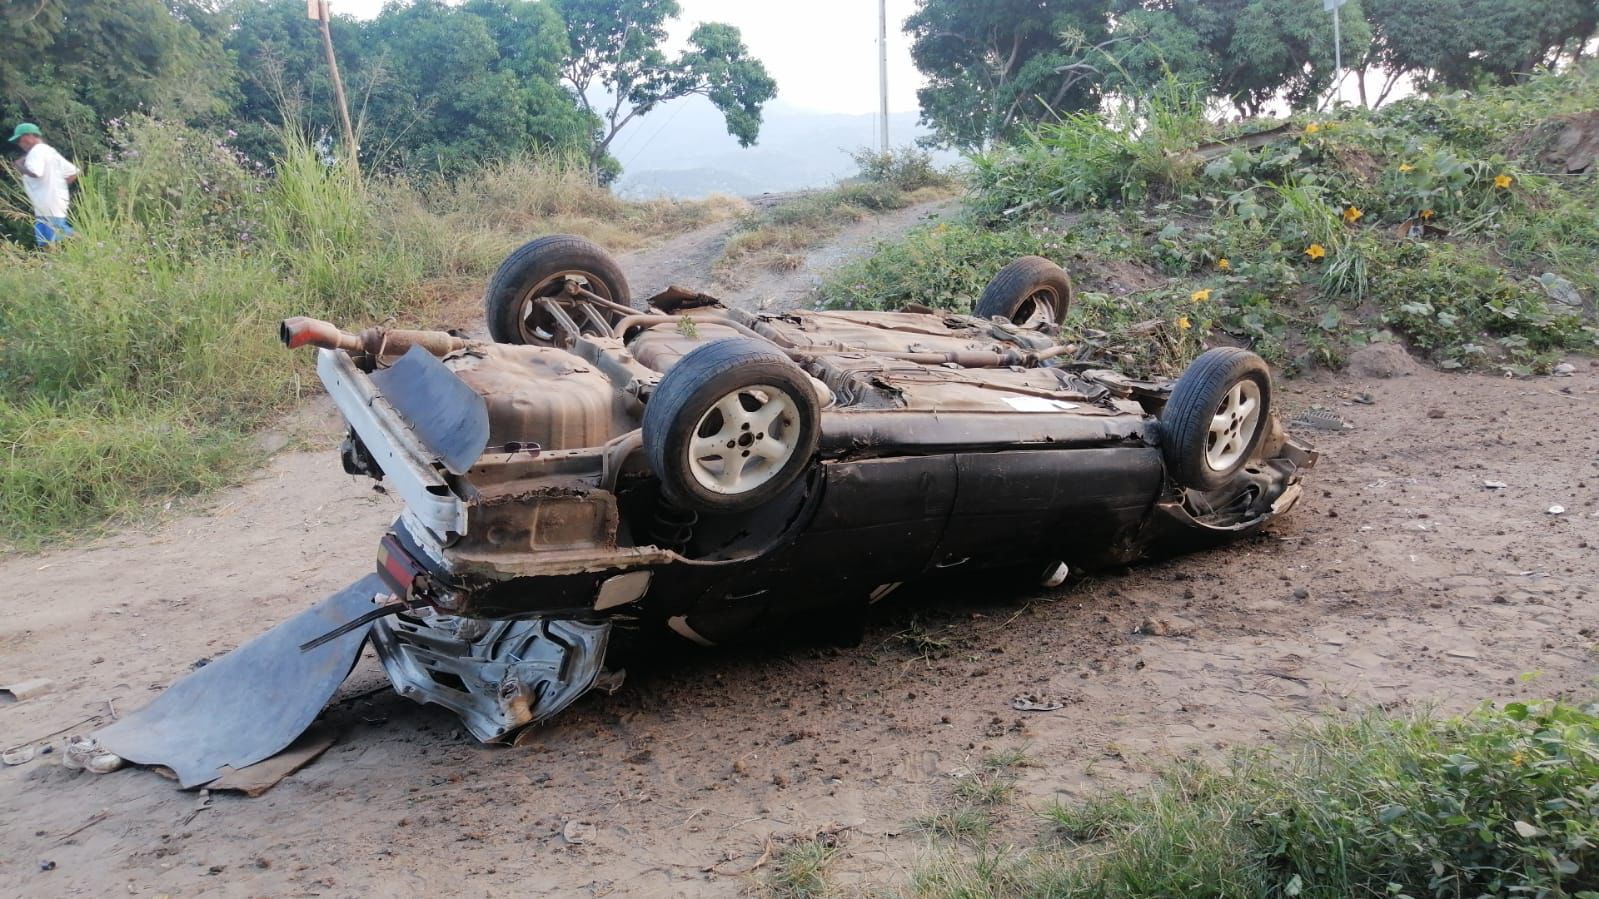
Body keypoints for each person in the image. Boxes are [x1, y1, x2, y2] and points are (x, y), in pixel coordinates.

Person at [9, 122, 78, 246]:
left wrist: (18, 165)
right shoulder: (48, 150)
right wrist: (57, 188)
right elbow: (72, 172)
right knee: (47, 241)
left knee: (56, 237)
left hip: (48, 205)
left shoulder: (37, 151)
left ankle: (96, 245)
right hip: (49, 204)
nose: (19, 144)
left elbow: (36, 173)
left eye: (19, 140)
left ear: (28, 136)